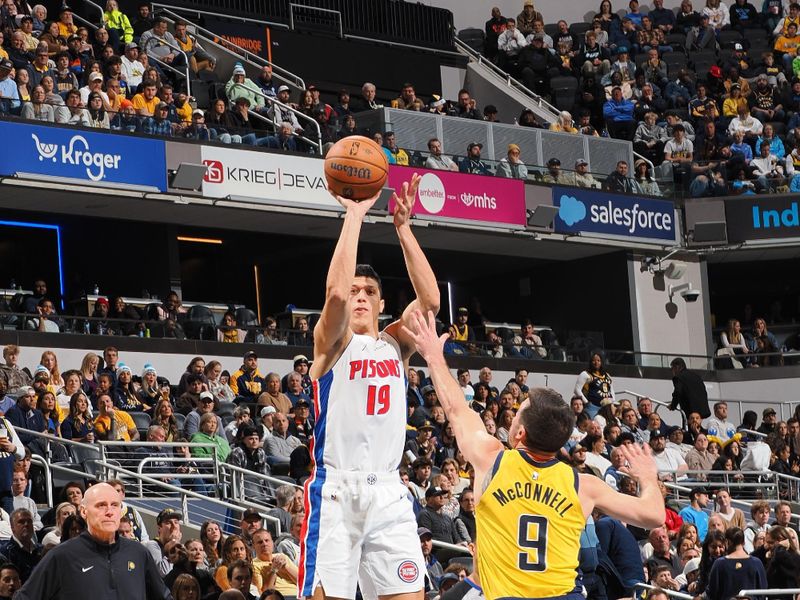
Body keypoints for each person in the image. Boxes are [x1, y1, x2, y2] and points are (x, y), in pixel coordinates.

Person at [402, 309, 664, 600]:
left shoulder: (493, 459)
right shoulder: (583, 485)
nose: (513, 414)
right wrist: (648, 477)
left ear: (520, 433)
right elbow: (653, 515)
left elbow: (455, 408)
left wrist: (434, 357)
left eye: (519, 411)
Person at [299, 173, 439, 600]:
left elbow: (431, 301)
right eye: (357, 288)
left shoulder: (395, 344)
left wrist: (403, 228)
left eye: (370, 291)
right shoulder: (332, 342)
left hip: (389, 490)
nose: (359, 295)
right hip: (337, 490)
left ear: (381, 304)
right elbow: (336, 296)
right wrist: (355, 215)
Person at [15, 482, 170, 599]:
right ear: (83, 512)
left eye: (114, 505)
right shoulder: (62, 556)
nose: (109, 512)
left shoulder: (139, 553)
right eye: (101, 505)